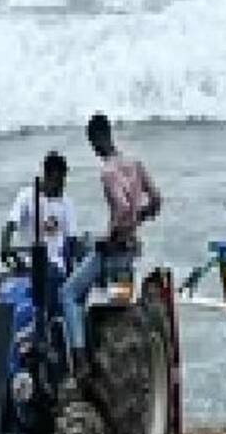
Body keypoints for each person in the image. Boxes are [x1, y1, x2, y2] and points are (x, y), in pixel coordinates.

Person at [61, 113, 162, 366]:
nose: (93, 148)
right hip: (130, 248)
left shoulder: (108, 172)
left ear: (96, 138)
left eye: (92, 142)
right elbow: (157, 199)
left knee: (68, 294)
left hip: (113, 249)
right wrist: (140, 218)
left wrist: (110, 236)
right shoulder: (135, 163)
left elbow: (123, 207)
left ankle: (79, 361)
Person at [0, 151, 80, 265]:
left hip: (57, 264)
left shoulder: (67, 203)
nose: (63, 184)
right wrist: (5, 250)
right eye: (58, 180)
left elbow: (71, 238)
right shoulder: (26, 196)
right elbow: (10, 225)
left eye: (64, 179)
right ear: (47, 176)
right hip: (29, 262)